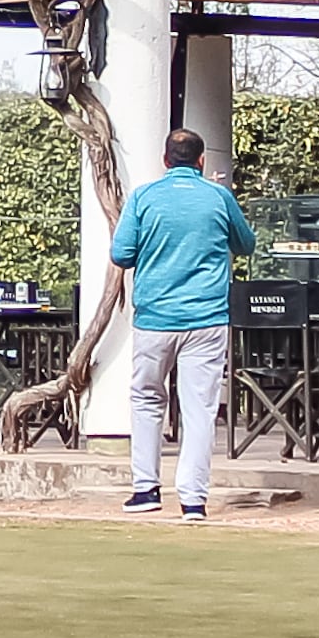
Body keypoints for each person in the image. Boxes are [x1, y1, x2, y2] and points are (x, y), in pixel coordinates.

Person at [108, 125, 257, 519]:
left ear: (165, 160)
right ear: (202, 161)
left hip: (155, 318)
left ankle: (146, 489)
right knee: (200, 408)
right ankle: (193, 500)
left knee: (146, 399)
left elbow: (121, 254)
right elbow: (245, 245)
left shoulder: (143, 196)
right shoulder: (218, 196)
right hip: (206, 318)